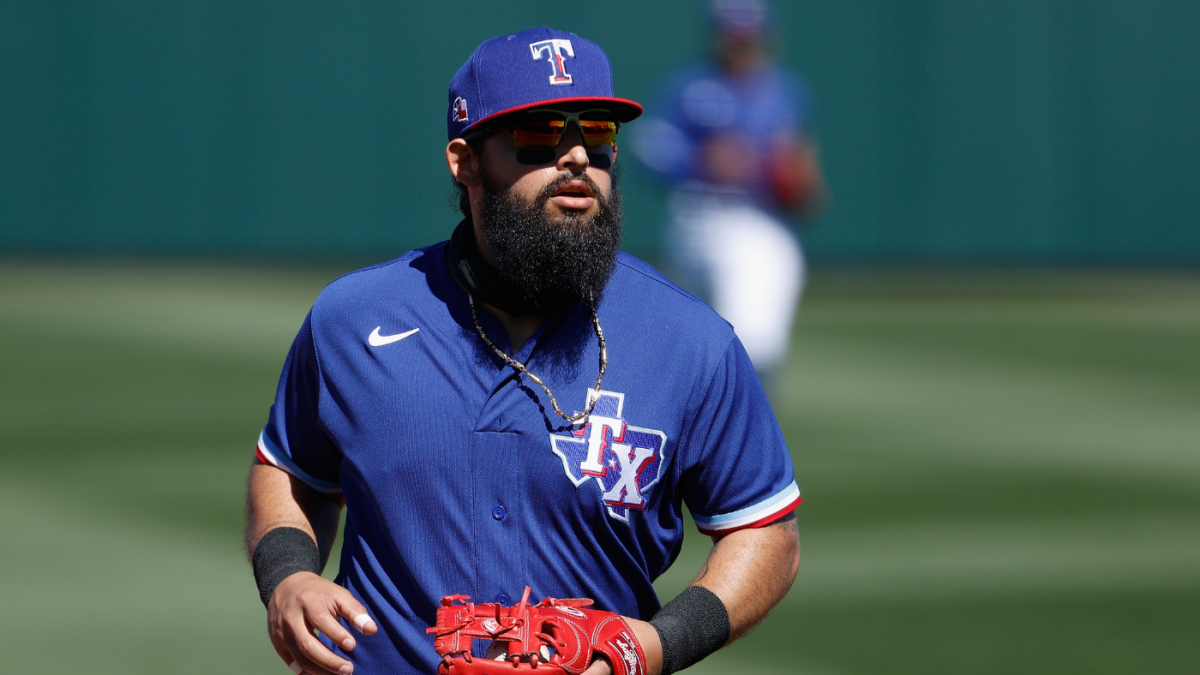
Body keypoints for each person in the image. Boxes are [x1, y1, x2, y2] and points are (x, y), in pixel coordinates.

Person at [245, 27, 800, 675]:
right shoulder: (354, 318)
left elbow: (763, 530)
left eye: (597, 134)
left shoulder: (693, 340)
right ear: (466, 161)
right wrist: (288, 576)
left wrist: (657, 643)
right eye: (538, 135)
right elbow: (289, 469)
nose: (575, 158)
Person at [633, 0, 827, 385]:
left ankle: (743, 437)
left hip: (758, 224)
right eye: (733, 35)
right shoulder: (690, 84)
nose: (740, 44)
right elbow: (647, 146)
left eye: (748, 36)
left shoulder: (786, 93)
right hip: (694, 218)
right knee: (690, 348)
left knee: (754, 348)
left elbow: (807, 179)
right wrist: (698, 161)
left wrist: (800, 184)